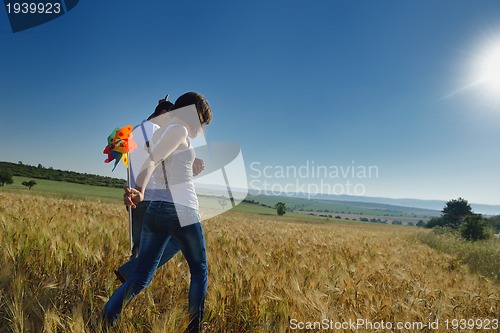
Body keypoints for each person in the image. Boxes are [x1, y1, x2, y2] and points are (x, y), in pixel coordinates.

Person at [101, 92, 212, 333]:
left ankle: (106, 320)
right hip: (182, 209)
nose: (201, 128)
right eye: (201, 120)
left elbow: (159, 164)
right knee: (199, 271)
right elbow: (152, 160)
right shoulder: (179, 129)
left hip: (158, 211)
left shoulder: (162, 132)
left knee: (141, 277)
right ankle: (194, 329)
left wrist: (141, 191)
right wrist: (139, 190)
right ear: (192, 113)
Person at [115, 96, 204, 282]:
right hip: (155, 197)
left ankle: (127, 283)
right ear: (164, 114)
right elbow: (160, 158)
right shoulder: (160, 130)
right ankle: (131, 271)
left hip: (135, 197)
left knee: (139, 247)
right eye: (172, 115)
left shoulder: (135, 130)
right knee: (176, 242)